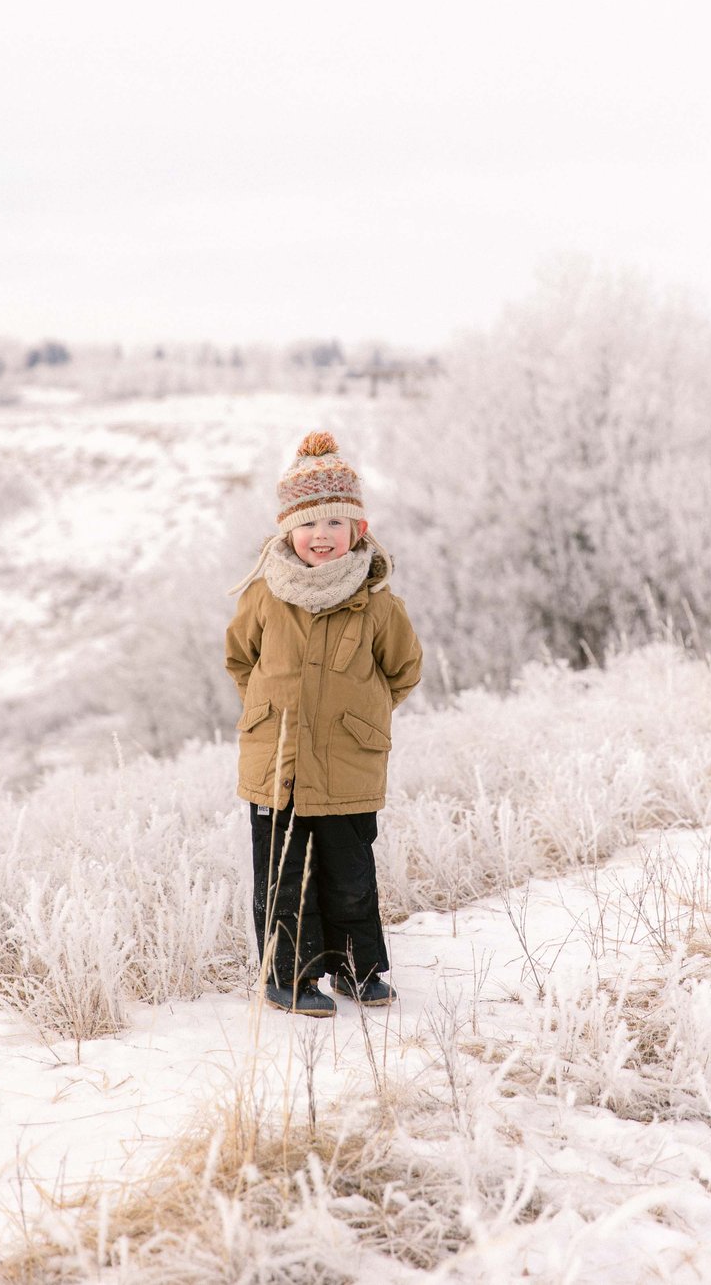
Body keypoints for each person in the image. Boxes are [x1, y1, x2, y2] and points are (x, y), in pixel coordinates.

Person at [225, 431, 422, 1018]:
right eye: (310, 525)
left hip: (348, 766)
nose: (321, 536)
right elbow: (241, 660)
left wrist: (361, 717)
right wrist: (265, 710)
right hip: (277, 763)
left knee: (350, 874)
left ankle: (358, 972)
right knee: (284, 878)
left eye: (336, 524)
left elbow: (403, 672)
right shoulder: (264, 596)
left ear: (358, 531)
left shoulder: (379, 603)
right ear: (289, 531)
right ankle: (289, 977)